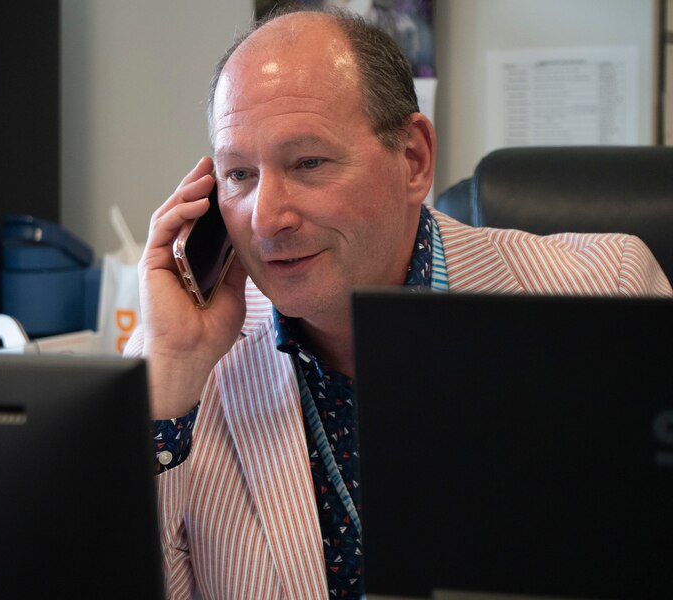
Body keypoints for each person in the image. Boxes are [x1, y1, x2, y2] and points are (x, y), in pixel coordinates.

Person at [125, 7, 673, 599]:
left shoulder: (603, 291)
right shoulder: (187, 364)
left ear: (413, 159)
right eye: (238, 175)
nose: (266, 218)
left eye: (308, 162)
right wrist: (173, 369)